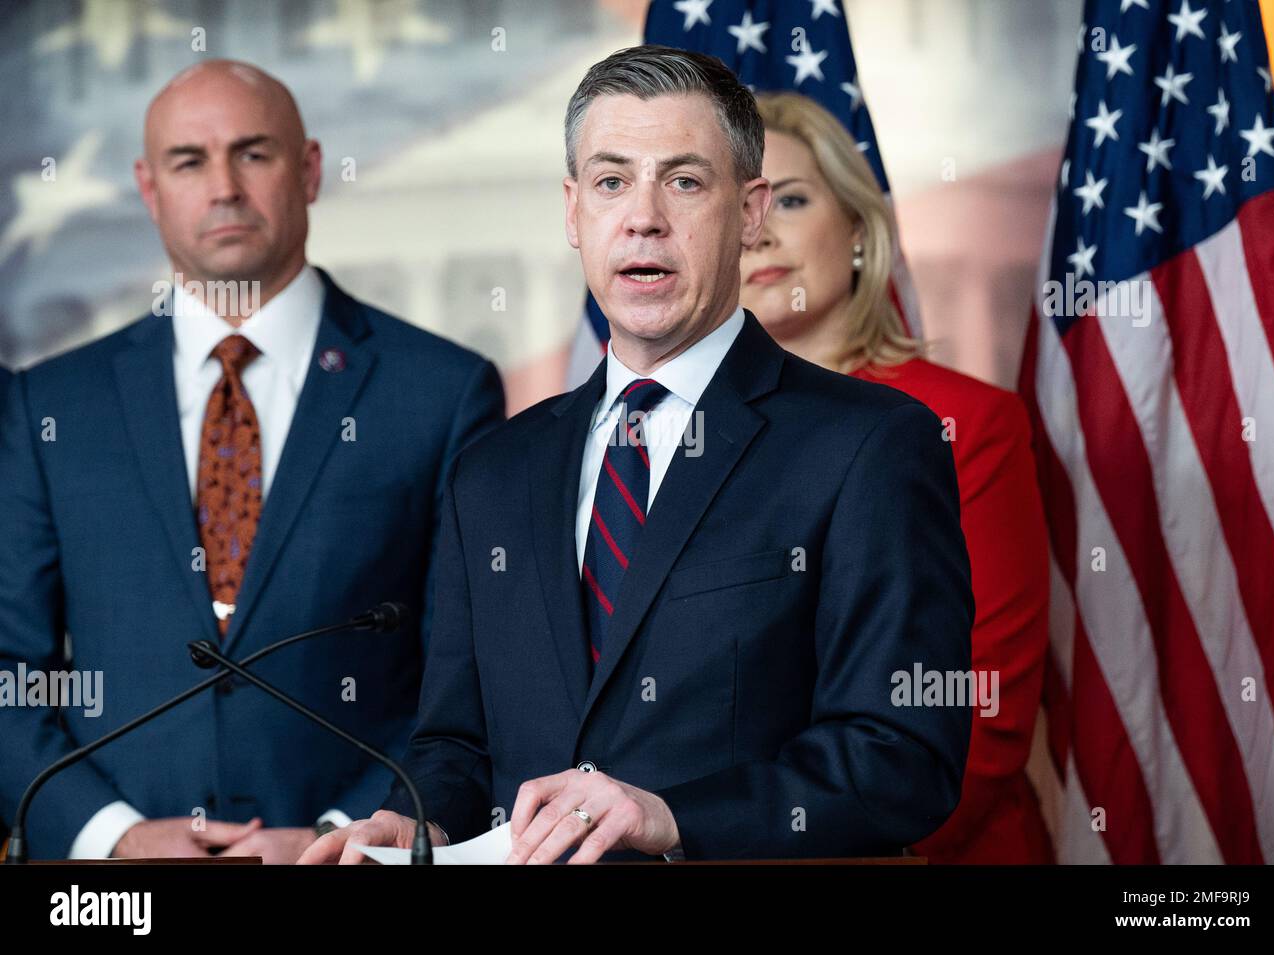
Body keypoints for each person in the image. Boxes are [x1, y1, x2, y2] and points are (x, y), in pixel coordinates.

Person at [300, 45, 972, 865]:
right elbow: (458, 743)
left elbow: (903, 758)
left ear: (751, 213)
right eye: (613, 182)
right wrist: (422, 824)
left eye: (685, 181)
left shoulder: (869, 445)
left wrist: (671, 817)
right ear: (573, 211)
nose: (643, 216)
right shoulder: (495, 470)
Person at [0, 61, 504, 862]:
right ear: (147, 186)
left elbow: (468, 676)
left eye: (253, 152)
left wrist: (345, 839)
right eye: (188, 161)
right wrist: (114, 836)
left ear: (308, 170)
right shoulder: (51, 405)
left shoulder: (442, 392)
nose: (224, 186)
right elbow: (10, 673)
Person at [739, 91, 1053, 864]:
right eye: (738, 207)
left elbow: (980, 710)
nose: (760, 230)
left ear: (856, 229)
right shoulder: (680, 436)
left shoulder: (967, 422)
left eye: (791, 197)